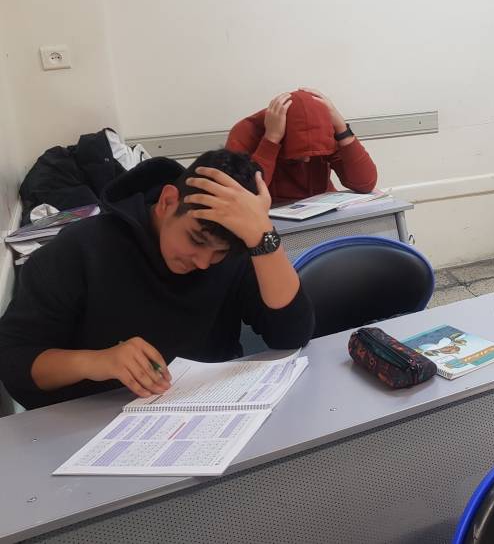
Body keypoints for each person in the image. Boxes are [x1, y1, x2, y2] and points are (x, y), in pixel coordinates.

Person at [0, 149, 315, 410]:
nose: (203, 262)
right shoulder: (80, 249)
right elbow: (14, 362)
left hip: (208, 410)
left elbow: (291, 334)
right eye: (196, 240)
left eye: (219, 253)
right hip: (96, 422)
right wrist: (96, 362)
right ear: (167, 202)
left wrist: (263, 237)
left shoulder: (236, 249)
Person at [226, 88, 377, 203]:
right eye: (299, 155)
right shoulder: (245, 132)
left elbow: (365, 183)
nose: (307, 160)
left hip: (321, 209)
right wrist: (271, 140)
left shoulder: (323, 126)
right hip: (272, 219)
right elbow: (243, 198)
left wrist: (342, 130)